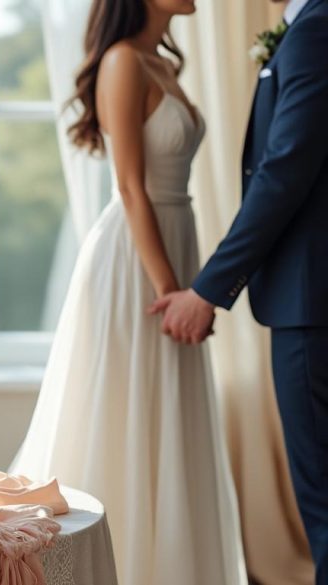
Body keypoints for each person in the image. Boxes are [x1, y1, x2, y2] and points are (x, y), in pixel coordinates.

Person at [8, 0, 246, 583]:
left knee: (166, 415)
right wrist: (170, 287)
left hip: (174, 239)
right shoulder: (122, 61)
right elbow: (131, 187)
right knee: (124, 410)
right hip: (137, 261)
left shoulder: (159, 61)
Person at [152, 0, 328, 581]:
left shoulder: (318, 26)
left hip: (313, 302)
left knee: (323, 504)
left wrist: (208, 289)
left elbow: (285, 169)